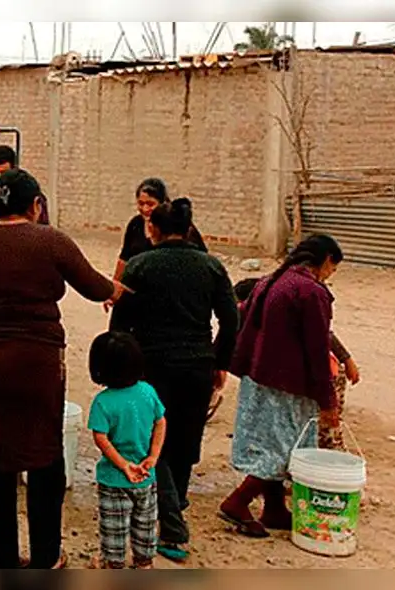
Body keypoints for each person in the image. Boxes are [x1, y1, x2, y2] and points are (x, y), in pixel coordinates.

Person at [0, 168, 119, 569]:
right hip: (36, 363)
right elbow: (96, 287)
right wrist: (119, 290)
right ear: (36, 205)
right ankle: (45, 557)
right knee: (44, 457)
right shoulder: (51, 240)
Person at [108, 198, 238, 563]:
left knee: (155, 443)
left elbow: (120, 323)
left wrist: (121, 366)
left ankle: (172, 526)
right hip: (198, 366)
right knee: (183, 438)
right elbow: (231, 321)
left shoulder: (140, 266)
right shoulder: (212, 267)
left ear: (154, 230)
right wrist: (219, 359)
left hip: (152, 366)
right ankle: (174, 501)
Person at [220, 234, 345, 538]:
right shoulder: (310, 292)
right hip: (288, 382)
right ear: (326, 260)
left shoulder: (270, 281)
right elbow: (317, 349)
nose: (331, 275)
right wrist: (328, 400)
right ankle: (239, 500)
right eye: (332, 268)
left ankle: (274, 508)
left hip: (259, 375)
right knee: (286, 448)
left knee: (271, 443)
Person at [233, 277, 361, 451]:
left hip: (324, 378)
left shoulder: (275, 318)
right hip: (306, 380)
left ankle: (332, 469)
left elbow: (324, 337)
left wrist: (347, 360)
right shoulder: (261, 319)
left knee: (324, 432)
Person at [87, 331, 167, 570]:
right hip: (146, 475)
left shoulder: (103, 402)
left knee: (114, 527)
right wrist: (152, 456)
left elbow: (101, 438)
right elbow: (160, 422)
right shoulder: (148, 392)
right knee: (145, 522)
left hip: (114, 479)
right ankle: (144, 562)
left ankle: (114, 564)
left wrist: (122, 465)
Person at [105, 178, 206, 312]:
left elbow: (200, 260)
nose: (145, 209)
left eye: (150, 204)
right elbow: (124, 258)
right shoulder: (135, 224)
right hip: (135, 294)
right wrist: (113, 290)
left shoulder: (179, 227)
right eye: (141, 203)